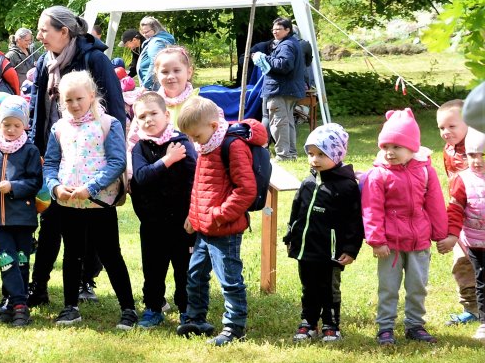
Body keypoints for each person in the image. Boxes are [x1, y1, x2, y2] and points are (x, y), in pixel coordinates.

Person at [22, 6, 124, 307]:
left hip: (93, 161)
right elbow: (37, 108)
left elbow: (115, 109)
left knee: (91, 228)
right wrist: (35, 150)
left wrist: (113, 158)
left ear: (64, 32)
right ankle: (38, 287)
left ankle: (85, 280)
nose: (39, 36)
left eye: (44, 30)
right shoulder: (45, 61)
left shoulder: (94, 59)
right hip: (55, 156)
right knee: (51, 223)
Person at [42, 71, 138, 329]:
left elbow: (117, 162)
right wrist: (55, 187)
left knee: (110, 254)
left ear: (92, 96)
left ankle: (128, 308)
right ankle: (70, 306)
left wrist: (91, 187)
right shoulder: (59, 127)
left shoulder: (108, 124)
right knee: (72, 253)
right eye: (68, 100)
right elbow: (51, 162)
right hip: (68, 203)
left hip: (99, 203)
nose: (74, 105)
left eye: (79, 99)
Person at [362, 108, 454, 346]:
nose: (390, 153)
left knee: (417, 287)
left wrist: (441, 235)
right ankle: (385, 327)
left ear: (412, 147)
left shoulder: (425, 171)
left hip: (419, 241)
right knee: (388, 287)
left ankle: (415, 324)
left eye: (396, 147)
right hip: (390, 244)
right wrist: (377, 240)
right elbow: (372, 209)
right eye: (385, 147)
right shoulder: (378, 175)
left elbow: (435, 205)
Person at [178, 96, 266, 345]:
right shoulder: (206, 145)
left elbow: (245, 190)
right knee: (195, 275)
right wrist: (193, 215)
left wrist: (219, 215)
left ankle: (234, 327)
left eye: (196, 136)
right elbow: (203, 186)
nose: (194, 142)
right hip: (204, 226)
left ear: (213, 126)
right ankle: (195, 319)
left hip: (224, 229)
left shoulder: (231, 146)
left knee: (229, 280)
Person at [284, 124, 362, 344]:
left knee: (329, 289)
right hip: (306, 249)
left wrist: (350, 248)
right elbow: (297, 211)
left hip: (330, 252)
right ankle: (308, 322)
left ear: (337, 154)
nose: (314, 159)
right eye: (311, 154)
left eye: (321, 154)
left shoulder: (346, 186)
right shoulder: (308, 182)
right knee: (308, 287)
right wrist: (291, 237)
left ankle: (331, 324)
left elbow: (354, 220)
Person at [126, 91, 196, 330]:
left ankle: (187, 310)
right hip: (152, 222)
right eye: (142, 116)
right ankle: (153, 308)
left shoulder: (182, 143)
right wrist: (167, 160)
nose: (148, 120)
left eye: (153, 113)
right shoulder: (139, 148)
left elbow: (195, 179)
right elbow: (142, 177)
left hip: (182, 221)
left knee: (184, 268)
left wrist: (193, 214)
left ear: (166, 115)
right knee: (153, 269)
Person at [0, 95, 40, 326]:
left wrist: (13, 187)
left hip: (23, 218)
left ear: (24, 124)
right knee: (7, 261)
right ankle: (20, 305)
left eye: (16, 125)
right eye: (6, 124)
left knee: (21, 261)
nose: (11, 130)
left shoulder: (30, 150)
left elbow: (35, 181)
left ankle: (12, 304)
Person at [435, 100, 476, 324]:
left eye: (452, 126)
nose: (446, 132)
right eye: (442, 127)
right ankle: (473, 308)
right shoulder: (448, 150)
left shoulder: (479, 148)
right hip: (461, 215)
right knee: (462, 263)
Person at [249, 16, 308, 160]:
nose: (275, 32)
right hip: (287, 89)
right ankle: (291, 152)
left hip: (280, 89)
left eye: (279, 29)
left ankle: (283, 155)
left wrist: (263, 58)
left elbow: (284, 65)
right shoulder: (290, 43)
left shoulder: (286, 45)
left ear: (287, 30)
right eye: (273, 29)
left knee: (279, 122)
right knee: (287, 122)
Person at [446, 128, 485, 342]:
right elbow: (455, 210)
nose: (477, 160)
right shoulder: (462, 180)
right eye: (472, 155)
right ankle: (484, 322)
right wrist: (451, 235)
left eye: (483, 155)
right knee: (482, 282)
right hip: (477, 243)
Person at [152, 44, 200, 129]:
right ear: (157, 74)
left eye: (176, 70)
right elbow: (135, 136)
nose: (170, 76)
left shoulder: (199, 103)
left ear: (189, 72)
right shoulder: (150, 103)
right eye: (165, 72)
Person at [133, 17, 176, 91]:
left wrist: (146, 85)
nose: (144, 35)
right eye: (142, 33)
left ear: (155, 29)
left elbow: (155, 64)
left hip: (153, 86)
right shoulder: (161, 40)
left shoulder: (156, 42)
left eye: (147, 32)